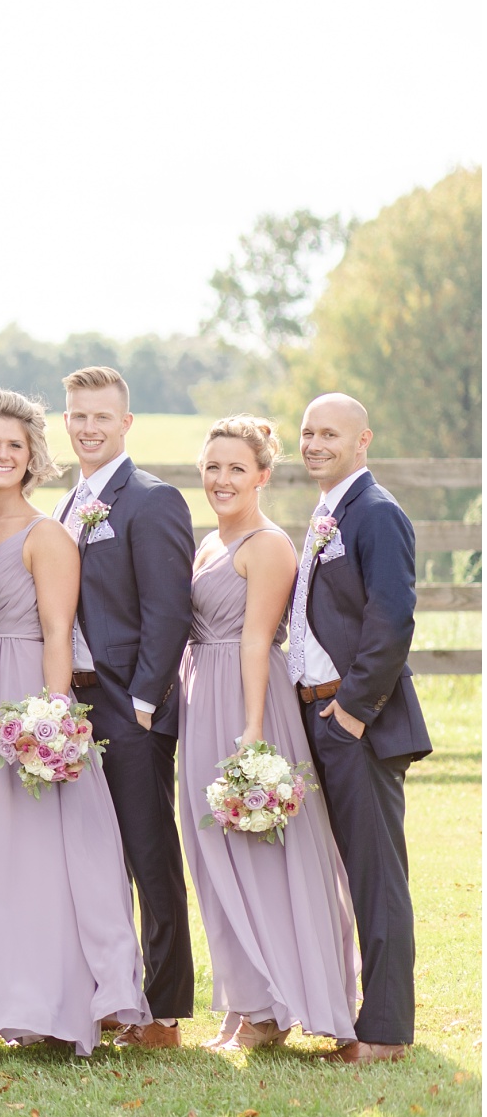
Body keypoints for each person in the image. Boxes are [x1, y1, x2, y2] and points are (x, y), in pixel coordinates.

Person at [0, 390, 148, 1055]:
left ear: (31, 457)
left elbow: (55, 630)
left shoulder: (46, 535)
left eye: (13, 445)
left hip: (24, 697)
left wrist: (49, 723)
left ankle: (53, 1002)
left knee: (40, 855)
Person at [178, 415, 358, 1052]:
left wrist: (252, 735)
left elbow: (258, 640)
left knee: (259, 856)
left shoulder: (268, 544)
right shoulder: (206, 544)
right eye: (212, 467)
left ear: (261, 475)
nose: (222, 479)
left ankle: (273, 1010)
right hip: (203, 700)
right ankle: (244, 1000)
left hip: (247, 704)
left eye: (235, 468)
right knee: (212, 857)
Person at [57, 365, 196, 1048]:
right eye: (77, 416)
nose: (87, 428)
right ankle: (110, 994)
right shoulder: (65, 503)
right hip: (70, 711)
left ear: (125, 423)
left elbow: (169, 609)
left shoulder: (151, 498)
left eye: (100, 417)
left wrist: (144, 701)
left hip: (127, 708)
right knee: (88, 856)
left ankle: (164, 1011)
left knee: (148, 853)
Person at [290, 393, 431, 1065]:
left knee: (376, 877)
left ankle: (382, 1033)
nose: (314, 442)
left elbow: (392, 619)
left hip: (358, 725)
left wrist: (349, 710)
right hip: (318, 716)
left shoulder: (374, 513)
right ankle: (359, 1016)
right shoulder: (327, 511)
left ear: (362, 440)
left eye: (329, 433)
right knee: (350, 871)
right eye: (307, 432)